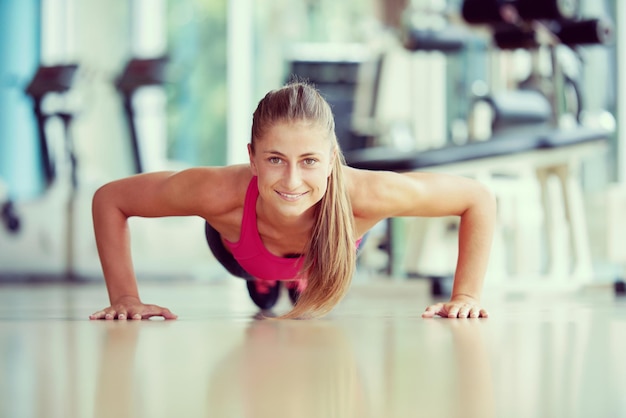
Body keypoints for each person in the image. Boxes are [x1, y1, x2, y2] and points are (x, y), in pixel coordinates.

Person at [89, 81, 496, 321]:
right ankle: (264, 278)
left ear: (332, 160)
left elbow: (476, 199)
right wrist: (125, 298)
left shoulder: (367, 195)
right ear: (251, 157)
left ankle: (298, 277)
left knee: (313, 289)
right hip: (239, 252)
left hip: (332, 246)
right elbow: (111, 199)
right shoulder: (217, 192)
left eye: (309, 161)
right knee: (261, 282)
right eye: (274, 159)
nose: (292, 180)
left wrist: (466, 296)